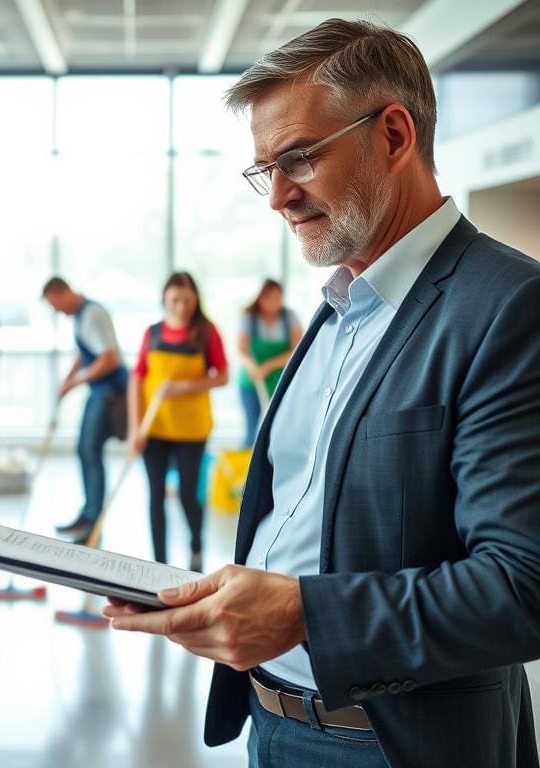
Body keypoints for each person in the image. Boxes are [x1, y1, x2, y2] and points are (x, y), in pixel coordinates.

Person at [104, 18, 540, 768]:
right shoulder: (338, 307)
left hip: (394, 746)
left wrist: (304, 616)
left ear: (394, 136)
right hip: (269, 723)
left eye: (298, 159)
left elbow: (523, 585)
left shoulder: (508, 306)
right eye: (264, 169)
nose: (277, 196)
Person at [129, 271, 229, 571]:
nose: (181, 307)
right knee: (155, 494)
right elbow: (137, 378)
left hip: (191, 428)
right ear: (164, 299)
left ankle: (196, 545)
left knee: (187, 493)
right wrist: (135, 428)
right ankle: (158, 564)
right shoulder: (152, 333)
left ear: (196, 299)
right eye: (175, 300)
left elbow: (222, 376)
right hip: (154, 427)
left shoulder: (206, 332)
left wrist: (183, 387)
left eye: (187, 300)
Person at [42, 277, 128, 544]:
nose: (57, 311)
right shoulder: (81, 316)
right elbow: (86, 351)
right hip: (98, 391)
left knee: (90, 449)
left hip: (110, 392)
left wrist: (76, 381)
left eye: (55, 304)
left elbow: (109, 358)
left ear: (63, 292)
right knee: (86, 450)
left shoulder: (92, 314)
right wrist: (68, 379)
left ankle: (93, 521)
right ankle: (89, 513)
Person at [238, 279, 302, 446]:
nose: (274, 303)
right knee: (252, 429)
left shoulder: (289, 317)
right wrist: (254, 368)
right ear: (261, 298)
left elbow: (297, 351)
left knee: (278, 429)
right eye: (270, 298)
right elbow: (241, 350)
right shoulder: (249, 318)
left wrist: (267, 367)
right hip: (252, 382)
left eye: (278, 298)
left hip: (280, 381)